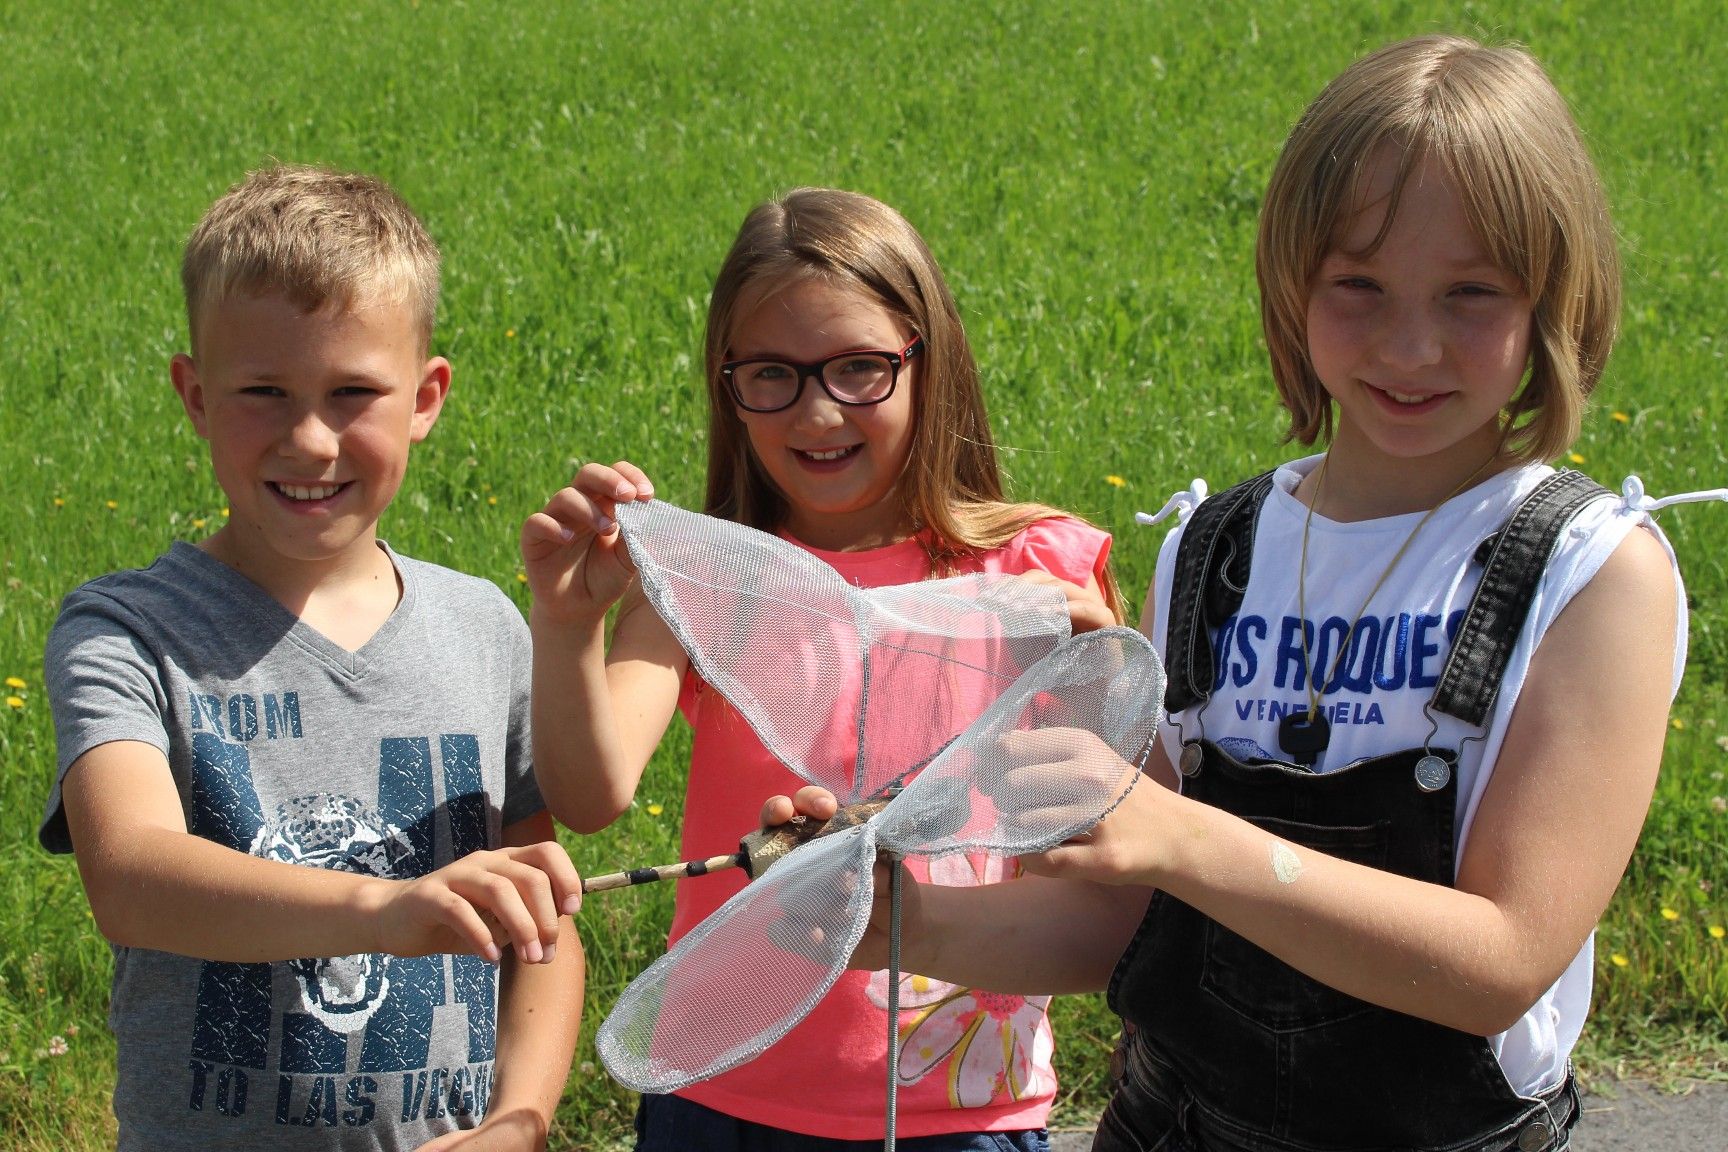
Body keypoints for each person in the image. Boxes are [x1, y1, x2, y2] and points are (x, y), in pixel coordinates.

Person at [775, 34, 1698, 1152]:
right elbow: (1119, 921)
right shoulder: (1216, 551)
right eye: (1358, 286)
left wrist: (1176, 833)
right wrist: (895, 922)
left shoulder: (1589, 574)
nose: (1411, 344)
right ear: (1291, 284)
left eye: (1472, 294)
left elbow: (1500, 963)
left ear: (1556, 297)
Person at [522, 187, 1120, 1150]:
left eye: (859, 368)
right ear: (726, 385)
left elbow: (1094, 871)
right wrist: (565, 624)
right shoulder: (714, 575)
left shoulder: (1034, 573)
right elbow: (591, 795)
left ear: (928, 360)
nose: (816, 410)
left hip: (957, 1108)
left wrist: (1097, 691)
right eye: (772, 374)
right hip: (722, 1093)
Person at [39, 164, 585, 1151]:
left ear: (426, 397)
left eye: (352, 393)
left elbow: (539, 923)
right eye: (263, 393)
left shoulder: (484, 629)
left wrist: (519, 1118)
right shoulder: (127, 632)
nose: (310, 440)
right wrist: (381, 909)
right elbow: (130, 877)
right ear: (194, 395)